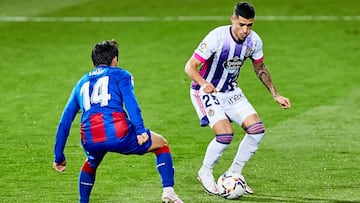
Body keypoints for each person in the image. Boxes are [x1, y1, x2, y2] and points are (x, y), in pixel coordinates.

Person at [53, 39, 183, 203]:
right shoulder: (121, 74)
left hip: (90, 137)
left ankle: (83, 201)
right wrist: (140, 130)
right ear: (114, 60)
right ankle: (169, 191)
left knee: (91, 162)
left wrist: (59, 156)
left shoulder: (80, 83)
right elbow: (131, 103)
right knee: (161, 144)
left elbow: (64, 121)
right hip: (118, 132)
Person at [184, 1, 291, 196]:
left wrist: (276, 94)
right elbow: (190, 67)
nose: (245, 30)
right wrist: (203, 83)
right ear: (232, 19)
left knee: (257, 130)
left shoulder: (254, 41)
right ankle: (205, 171)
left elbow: (260, 68)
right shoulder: (217, 37)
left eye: (249, 25)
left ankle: (234, 174)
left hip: (231, 92)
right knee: (225, 135)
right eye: (241, 24)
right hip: (207, 91)